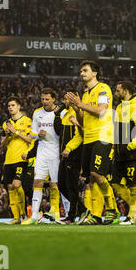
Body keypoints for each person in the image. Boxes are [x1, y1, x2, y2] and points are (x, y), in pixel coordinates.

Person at [66, 60, 117, 225]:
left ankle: (112, 209)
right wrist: (76, 108)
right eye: (80, 71)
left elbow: (102, 111)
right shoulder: (86, 93)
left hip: (102, 136)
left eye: (85, 70)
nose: (82, 73)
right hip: (88, 138)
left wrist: (80, 104)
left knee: (97, 174)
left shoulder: (103, 89)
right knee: (91, 179)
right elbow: (84, 119)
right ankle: (96, 215)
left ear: (94, 73)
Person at [21, 88, 61, 225]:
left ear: (54, 99)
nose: (44, 102)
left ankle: (56, 214)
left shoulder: (60, 112)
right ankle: (33, 216)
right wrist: (38, 134)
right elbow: (31, 133)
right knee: (37, 182)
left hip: (56, 153)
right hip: (41, 153)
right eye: (43, 99)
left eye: (47, 99)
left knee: (54, 184)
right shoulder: (37, 113)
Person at [112, 81, 136, 225]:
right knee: (115, 182)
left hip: (132, 153)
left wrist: (130, 146)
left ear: (126, 91)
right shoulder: (120, 107)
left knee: (133, 183)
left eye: (118, 90)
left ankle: (131, 216)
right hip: (120, 153)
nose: (116, 93)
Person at [53, 90, 90, 224]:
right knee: (62, 185)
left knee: (71, 186)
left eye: (67, 99)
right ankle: (82, 209)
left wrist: (69, 148)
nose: (64, 102)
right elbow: (58, 131)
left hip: (74, 154)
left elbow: (80, 135)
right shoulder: (66, 114)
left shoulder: (77, 114)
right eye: (64, 99)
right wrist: (56, 115)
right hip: (64, 155)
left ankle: (71, 216)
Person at [1, 97, 33, 224]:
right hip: (9, 159)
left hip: (21, 158)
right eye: (9, 105)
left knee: (17, 185)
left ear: (19, 106)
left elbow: (31, 140)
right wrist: (8, 135)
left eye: (13, 105)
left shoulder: (27, 121)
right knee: (10, 187)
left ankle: (24, 214)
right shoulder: (6, 124)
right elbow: (3, 145)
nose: (10, 107)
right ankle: (16, 218)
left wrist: (16, 132)